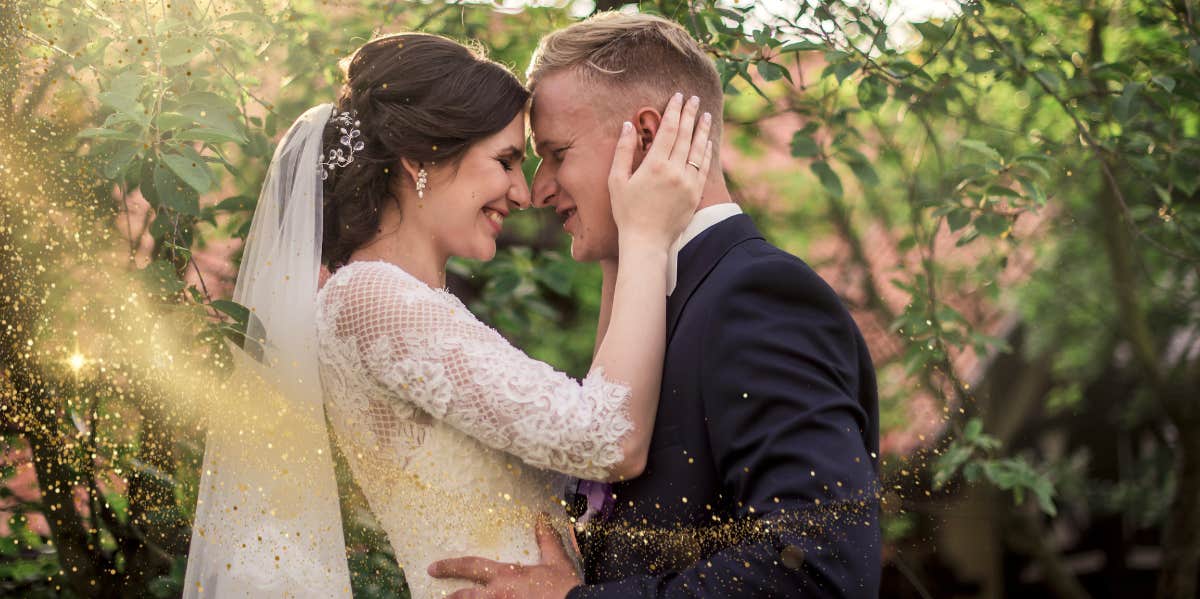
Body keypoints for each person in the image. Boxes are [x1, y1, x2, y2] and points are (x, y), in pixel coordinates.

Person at [182, 32, 712, 598]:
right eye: (505, 160)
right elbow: (610, 439)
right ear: (421, 161)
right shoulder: (373, 301)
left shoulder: (407, 303)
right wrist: (645, 237)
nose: (522, 191)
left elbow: (596, 418)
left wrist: (613, 238)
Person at [428, 13, 883, 598]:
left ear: (645, 136)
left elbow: (824, 571)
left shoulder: (757, 298)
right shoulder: (652, 303)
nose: (538, 190)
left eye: (558, 154)